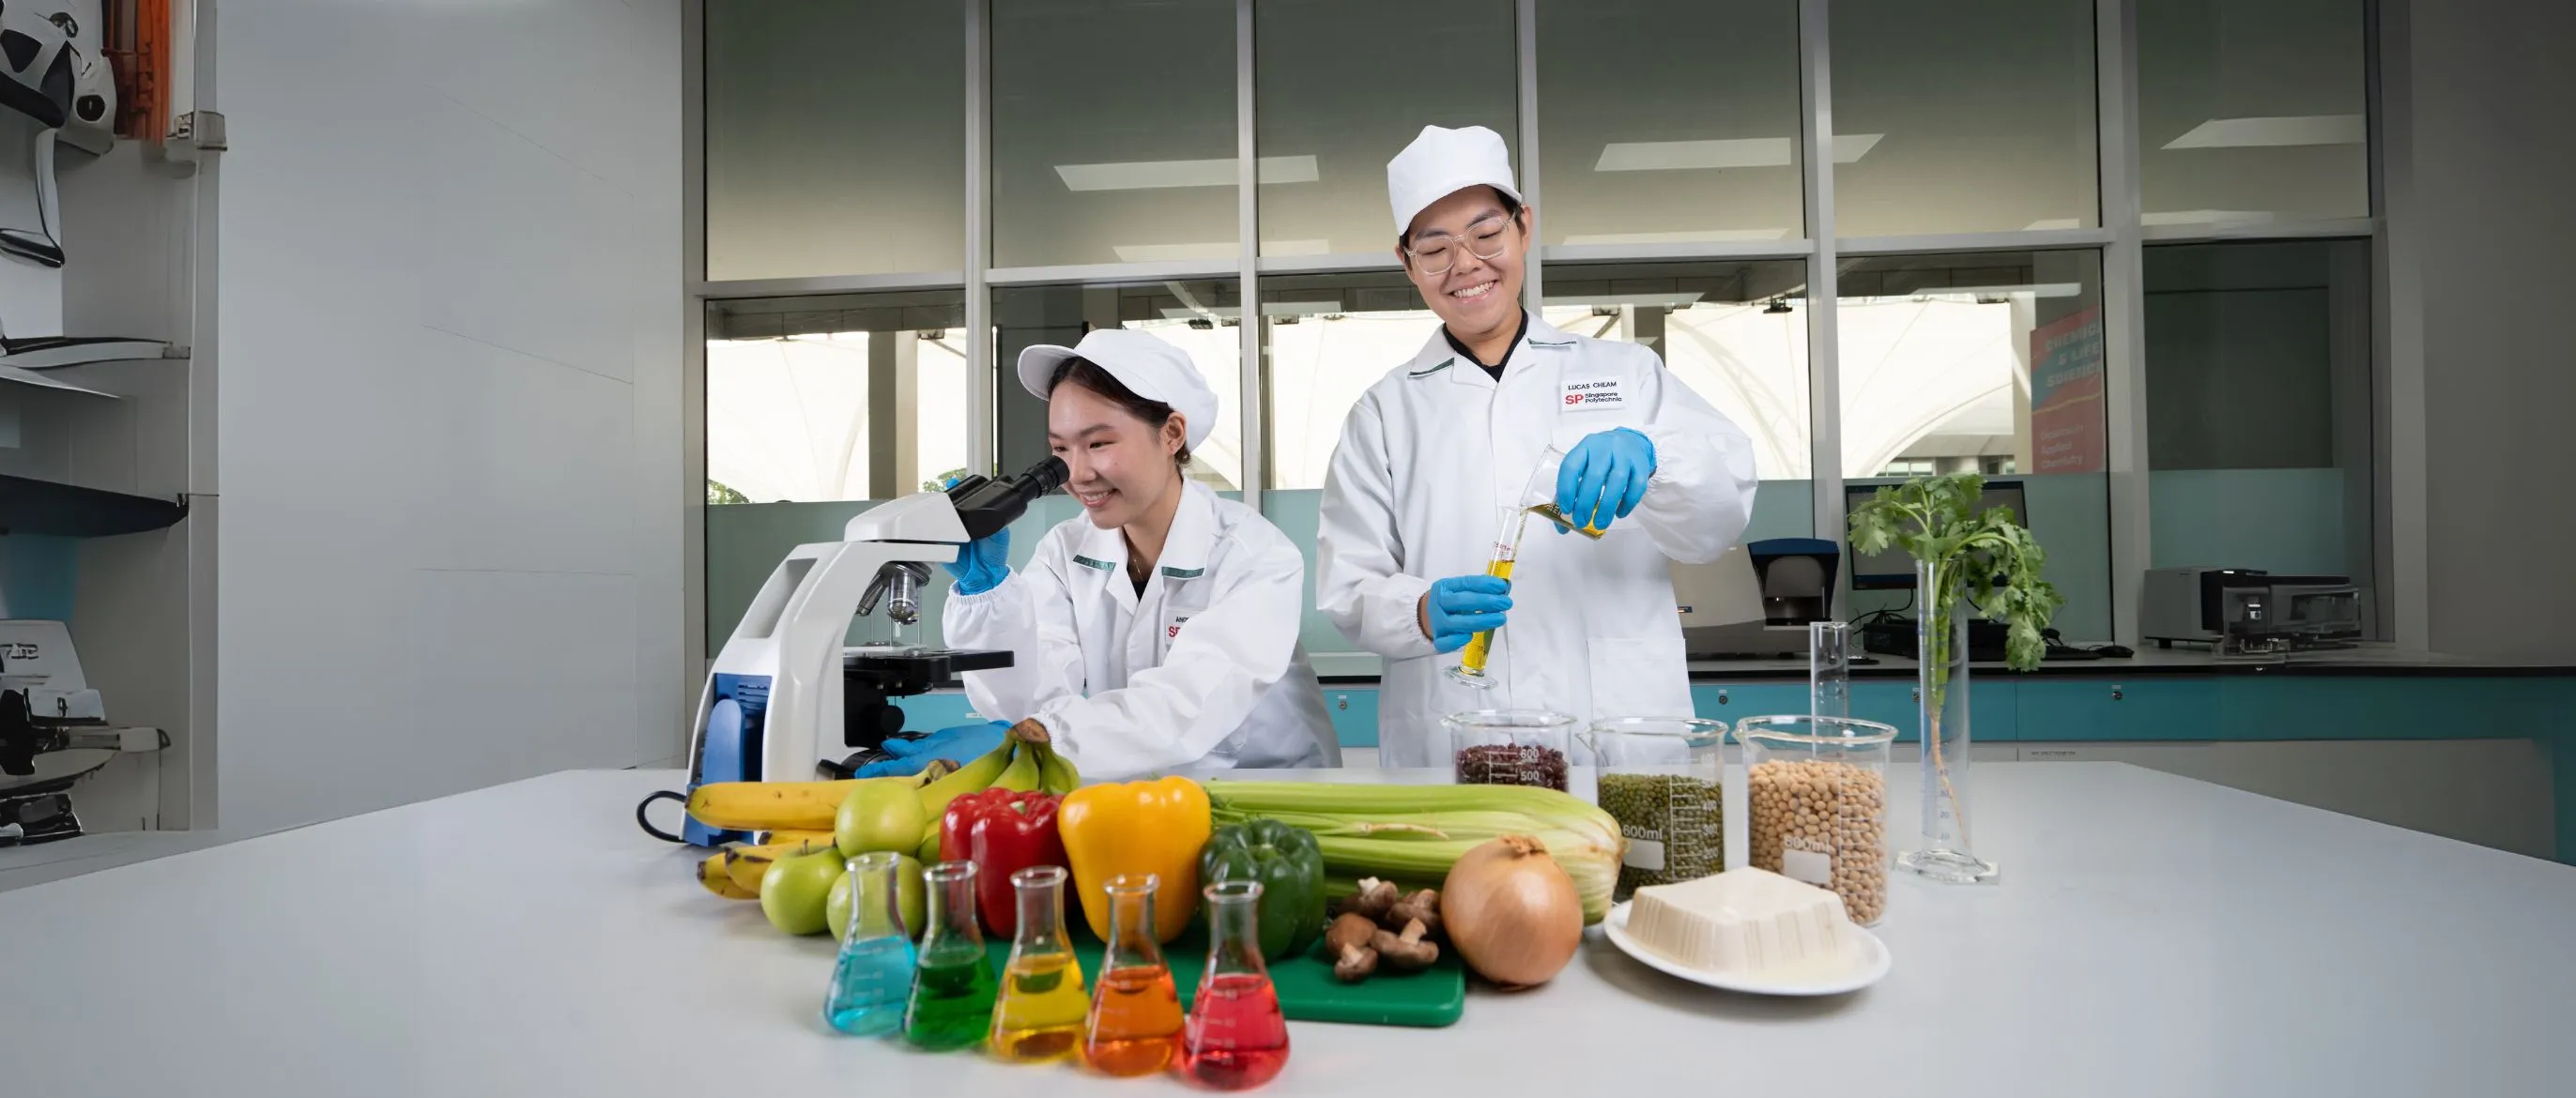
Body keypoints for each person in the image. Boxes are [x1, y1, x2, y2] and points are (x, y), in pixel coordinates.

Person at [1314, 124, 1759, 767]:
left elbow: (1716, 524)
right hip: (1453, 736)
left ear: (1524, 226)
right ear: (1407, 263)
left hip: (1615, 738)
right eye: (1435, 248)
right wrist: (1414, 610)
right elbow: (1349, 582)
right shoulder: (1384, 413)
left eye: (1487, 234)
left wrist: (1655, 460)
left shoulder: (1628, 374)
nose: (1465, 265)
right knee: (1468, 871)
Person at [868, 328, 1340, 781]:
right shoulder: (1064, 553)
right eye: (1060, 450)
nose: (1078, 473)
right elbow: (1029, 706)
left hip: (1269, 801)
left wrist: (1043, 737)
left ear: (1172, 433)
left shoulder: (1254, 556)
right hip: (1141, 804)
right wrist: (988, 596)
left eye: (1099, 443)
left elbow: (1182, 710)